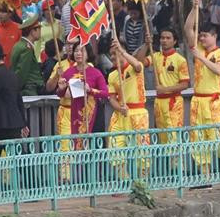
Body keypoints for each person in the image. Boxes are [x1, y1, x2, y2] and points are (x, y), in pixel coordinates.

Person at [183, 0, 220, 172]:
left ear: (214, 36)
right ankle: (205, 177)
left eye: (205, 35)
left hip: (213, 101)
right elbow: (188, 28)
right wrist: (195, 8)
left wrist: (201, 58)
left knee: (217, 139)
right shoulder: (199, 49)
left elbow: (218, 70)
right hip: (198, 101)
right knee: (199, 139)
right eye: (200, 35)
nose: (202, 38)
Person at [106, 39, 151, 170]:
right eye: (111, 54)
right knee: (115, 148)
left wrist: (122, 50)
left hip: (137, 114)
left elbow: (137, 65)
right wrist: (120, 108)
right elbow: (112, 98)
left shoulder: (135, 68)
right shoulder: (112, 75)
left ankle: (142, 185)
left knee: (141, 151)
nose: (113, 57)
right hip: (120, 114)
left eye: (115, 53)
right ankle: (123, 182)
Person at [56, 43, 107, 143]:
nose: (78, 53)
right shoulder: (69, 72)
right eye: (76, 51)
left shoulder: (95, 72)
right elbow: (60, 94)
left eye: (82, 51)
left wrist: (90, 90)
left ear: (88, 54)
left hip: (93, 113)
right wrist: (61, 89)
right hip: (76, 112)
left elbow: (105, 93)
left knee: (93, 144)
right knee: (78, 143)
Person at [151, 28, 189, 143]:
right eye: (162, 38)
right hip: (159, 102)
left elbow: (185, 84)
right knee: (162, 138)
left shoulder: (180, 60)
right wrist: (146, 44)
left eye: (168, 38)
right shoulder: (155, 56)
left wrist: (165, 89)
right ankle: (166, 161)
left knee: (174, 137)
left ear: (174, 41)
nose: (164, 41)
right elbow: (140, 62)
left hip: (174, 102)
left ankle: (177, 161)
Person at [10, 15, 44, 95]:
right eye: (39, 29)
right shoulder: (26, 48)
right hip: (28, 90)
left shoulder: (19, 45)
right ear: (32, 31)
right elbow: (22, 71)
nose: (40, 32)